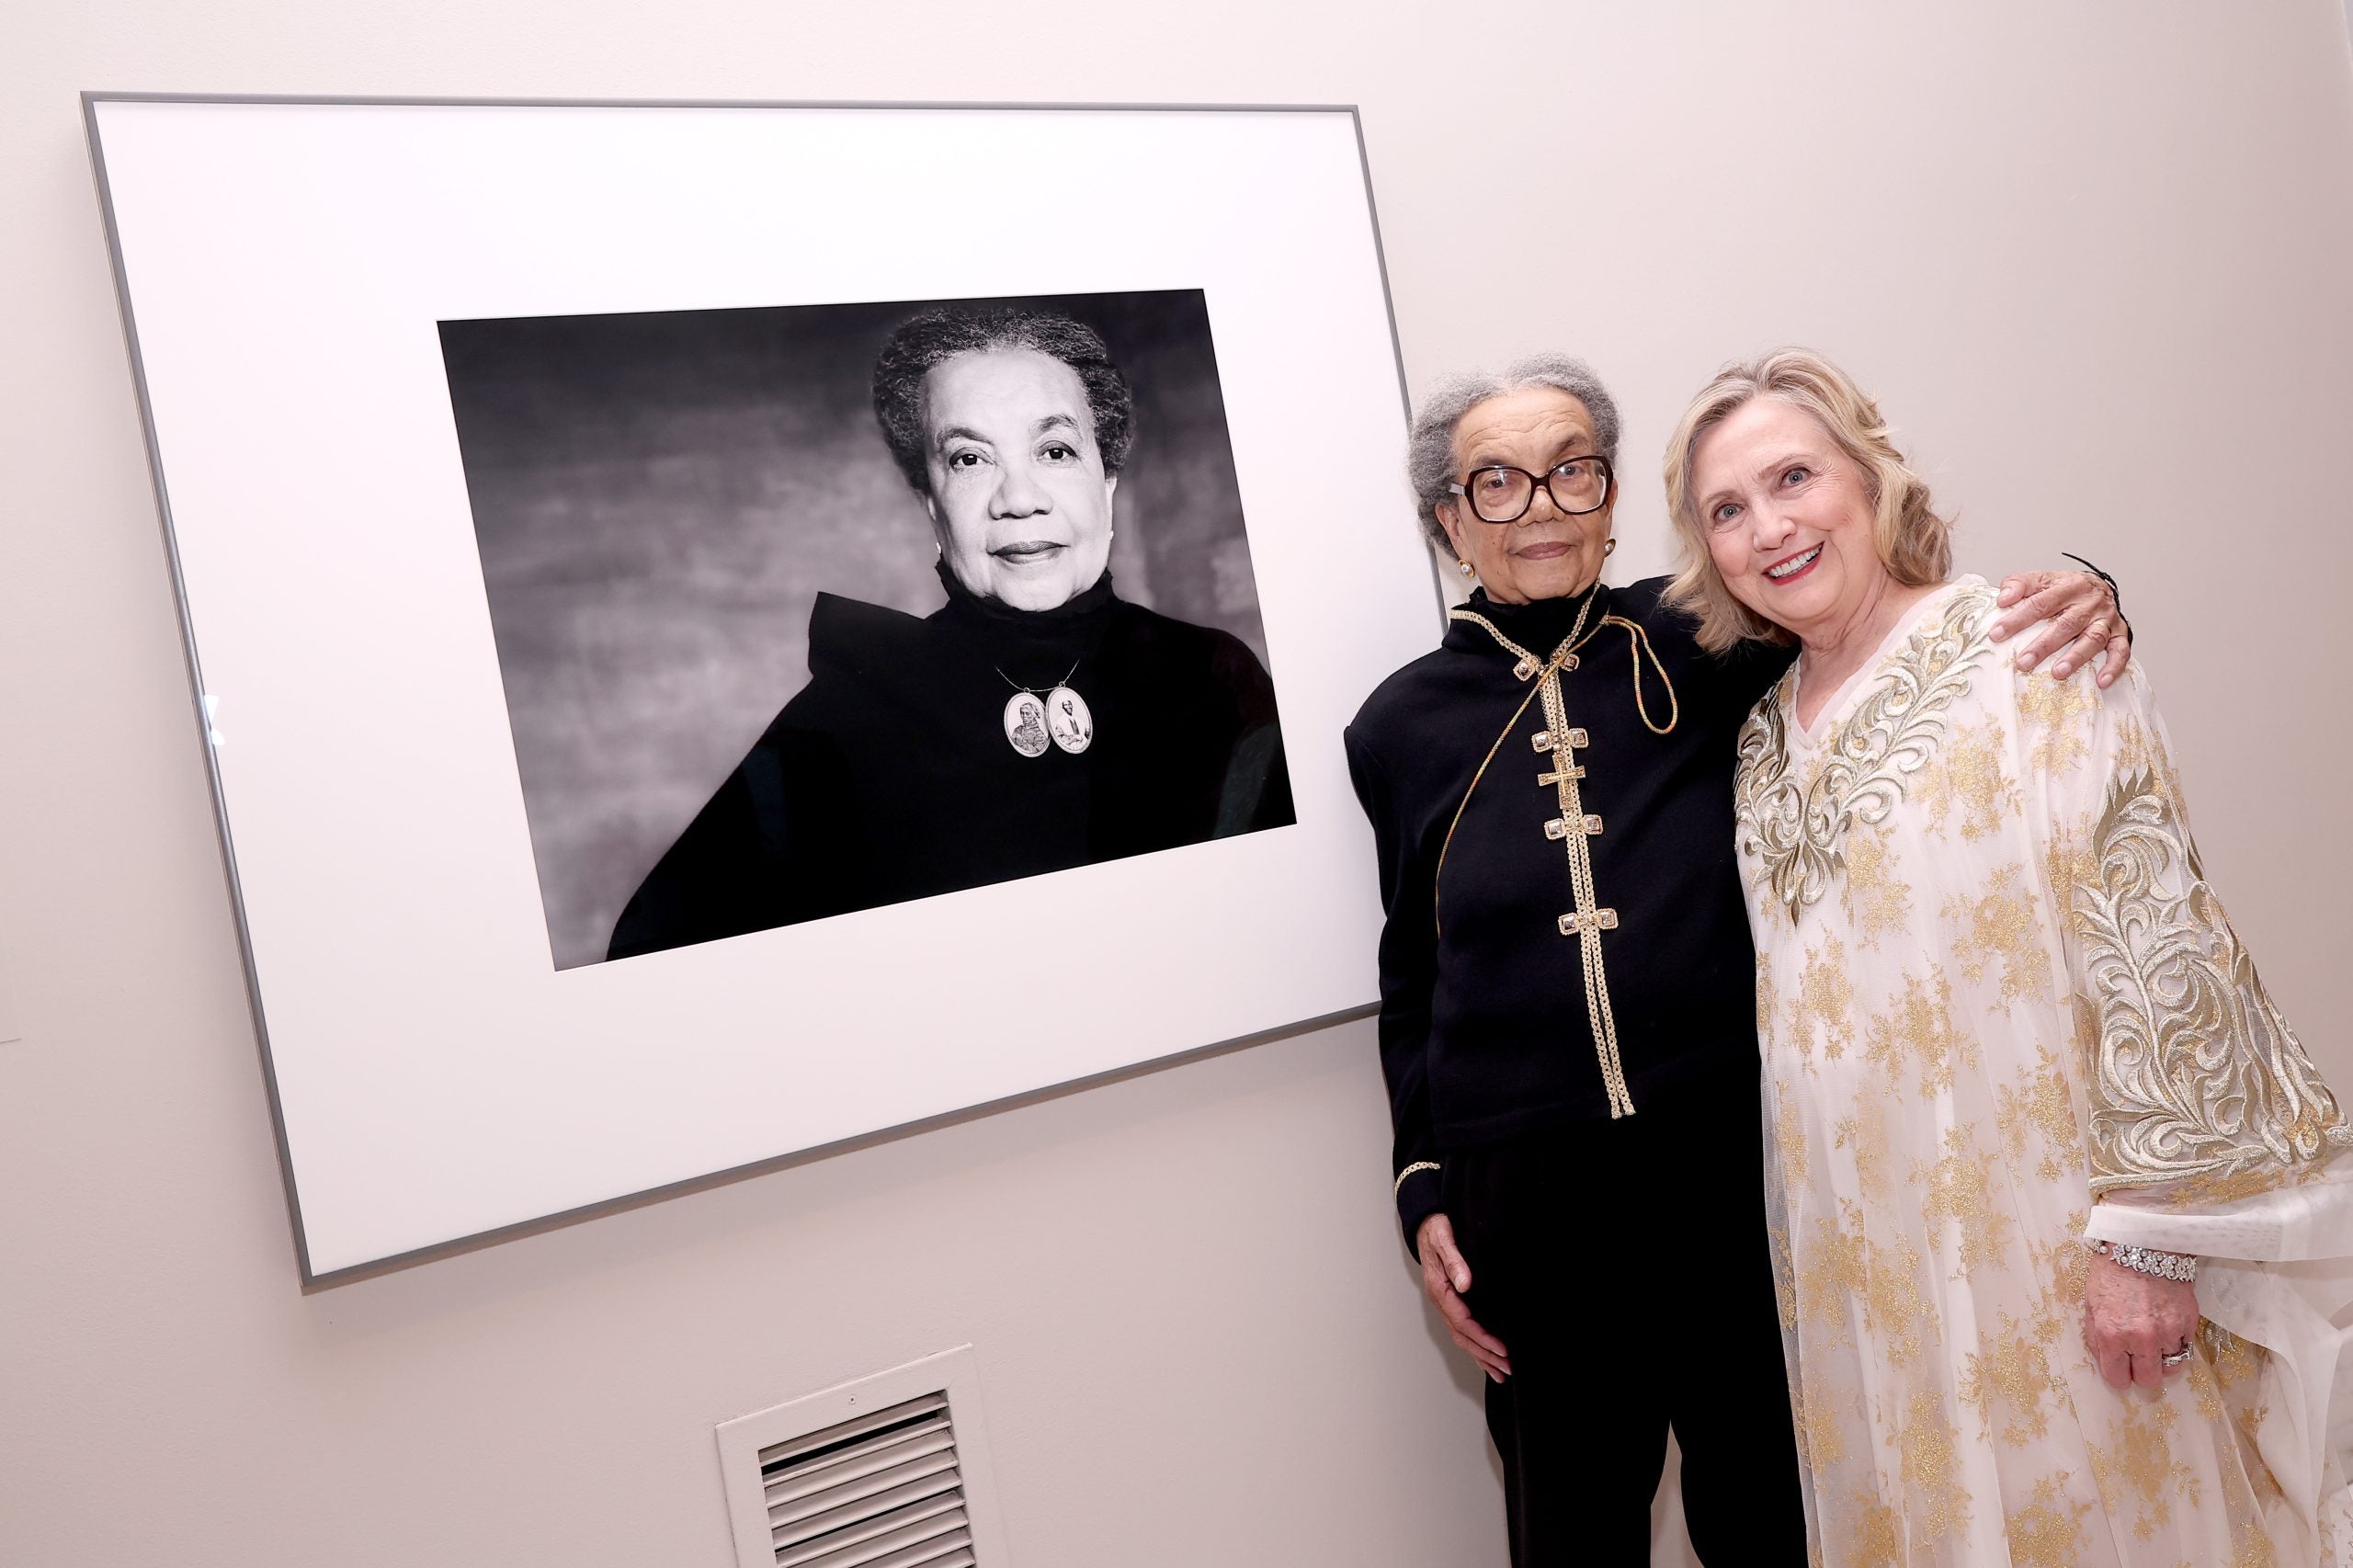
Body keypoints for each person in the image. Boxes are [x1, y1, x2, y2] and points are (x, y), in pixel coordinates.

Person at [1343, 352, 2130, 1565]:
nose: (1540, 506)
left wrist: (2086, 594)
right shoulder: (1396, 726)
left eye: (1571, 471)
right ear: (1448, 521)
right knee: (1571, 1532)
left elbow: (1892, 638)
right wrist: (1423, 1183)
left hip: (1736, 1168)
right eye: (1496, 482)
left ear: (1611, 496)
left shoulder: (1711, 637)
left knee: (1772, 1514)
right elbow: (1412, 978)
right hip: (1530, 1203)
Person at [1665, 347, 2353, 1565]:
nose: (1768, 527)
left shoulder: (2026, 650)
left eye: (1793, 477)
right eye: (1727, 508)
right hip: (1868, 1276)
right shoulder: (1758, 737)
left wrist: (2148, 1236)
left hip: (2050, 1246)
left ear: (1869, 476)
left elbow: (2154, 933)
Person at [608, 306, 1291, 961]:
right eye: (969, 460)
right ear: (931, 505)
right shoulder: (844, 720)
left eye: (1055, 450)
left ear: (1106, 485)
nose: (1019, 499)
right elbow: (652, 959)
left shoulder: (1215, 678)